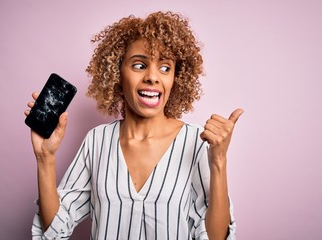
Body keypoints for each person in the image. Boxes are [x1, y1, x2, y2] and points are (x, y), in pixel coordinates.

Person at [26, 11, 243, 240]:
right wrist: (45, 159)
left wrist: (218, 160)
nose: (152, 76)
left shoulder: (197, 141)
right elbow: (56, 230)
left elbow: (216, 238)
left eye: (165, 67)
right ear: (117, 73)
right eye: (139, 65)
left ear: (176, 79)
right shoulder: (97, 140)